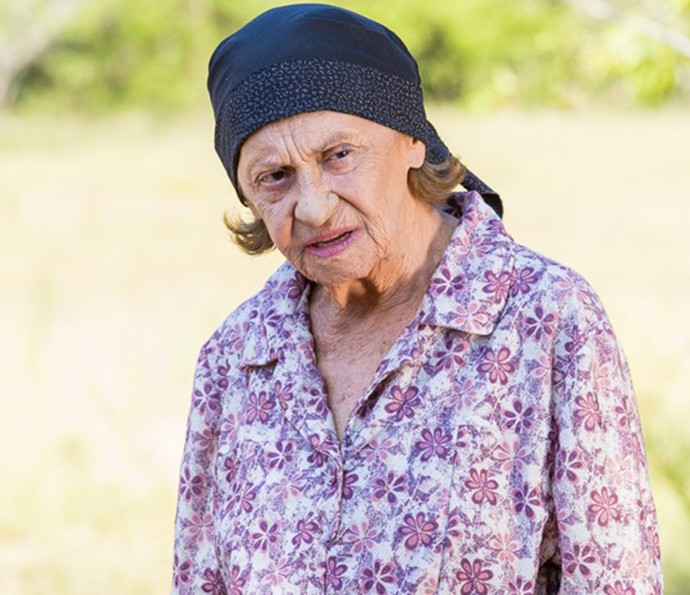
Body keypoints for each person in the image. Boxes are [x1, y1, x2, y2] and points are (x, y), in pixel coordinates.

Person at [172, 4, 662, 593]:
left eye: (339, 156)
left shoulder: (547, 320)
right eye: (274, 177)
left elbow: (614, 579)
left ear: (411, 140)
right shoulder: (237, 360)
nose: (313, 206)